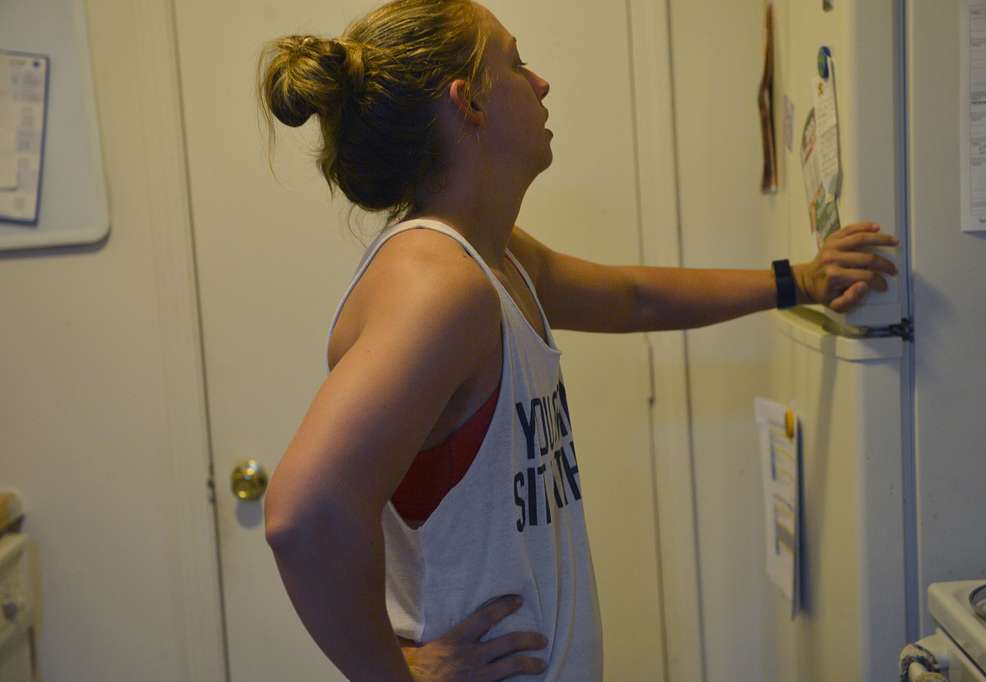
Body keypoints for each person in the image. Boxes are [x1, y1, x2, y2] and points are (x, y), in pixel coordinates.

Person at [257, 1, 899, 680]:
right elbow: (303, 514)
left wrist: (800, 278)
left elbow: (633, 296)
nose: (540, 82)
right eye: (514, 61)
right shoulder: (437, 287)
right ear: (468, 102)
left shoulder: (494, 260)